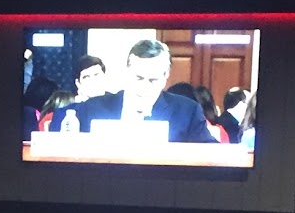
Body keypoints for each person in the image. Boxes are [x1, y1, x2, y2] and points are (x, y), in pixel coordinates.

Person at [75, 39, 216, 144]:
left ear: (166, 76)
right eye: (139, 78)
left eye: (153, 80)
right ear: (127, 71)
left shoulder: (187, 112)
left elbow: (210, 154)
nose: (144, 86)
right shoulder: (93, 108)